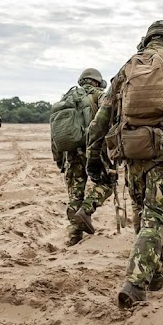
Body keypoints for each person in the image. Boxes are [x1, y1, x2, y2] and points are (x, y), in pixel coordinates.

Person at [85, 20, 163, 308]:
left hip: (132, 150)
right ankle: (135, 282)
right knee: (157, 216)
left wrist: (95, 155)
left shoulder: (128, 66)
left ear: (147, 40)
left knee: (142, 211)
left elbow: (101, 118)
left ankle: (156, 275)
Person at [51, 68, 113, 246]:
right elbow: (108, 115)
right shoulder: (100, 95)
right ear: (97, 82)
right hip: (93, 151)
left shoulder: (66, 99)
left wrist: (58, 158)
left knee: (74, 194)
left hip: (70, 154)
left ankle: (74, 237)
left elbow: (55, 133)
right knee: (107, 183)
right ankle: (86, 210)